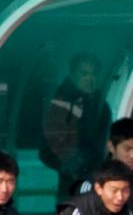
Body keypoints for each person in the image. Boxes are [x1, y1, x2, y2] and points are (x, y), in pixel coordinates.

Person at [40, 53, 112, 201]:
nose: (89, 78)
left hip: (95, 175)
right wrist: (74, 167)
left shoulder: (101, 105)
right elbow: (54, 141)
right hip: (72, 177)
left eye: (93, 74)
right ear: (73, 75)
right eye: (84, 73)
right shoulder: (61, 103)